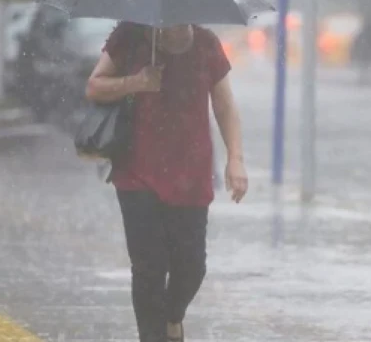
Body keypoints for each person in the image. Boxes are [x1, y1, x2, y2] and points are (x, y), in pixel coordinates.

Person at [85, 22, 249, 342]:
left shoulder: (206, 44)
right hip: (137, 171)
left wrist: (236, 159)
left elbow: (225, 105)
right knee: (148, 266)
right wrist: (137, 82)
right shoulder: (130, 35)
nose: (177, 22)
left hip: (192, 173)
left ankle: (173, 317)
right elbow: (94, 86)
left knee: (192, 266)